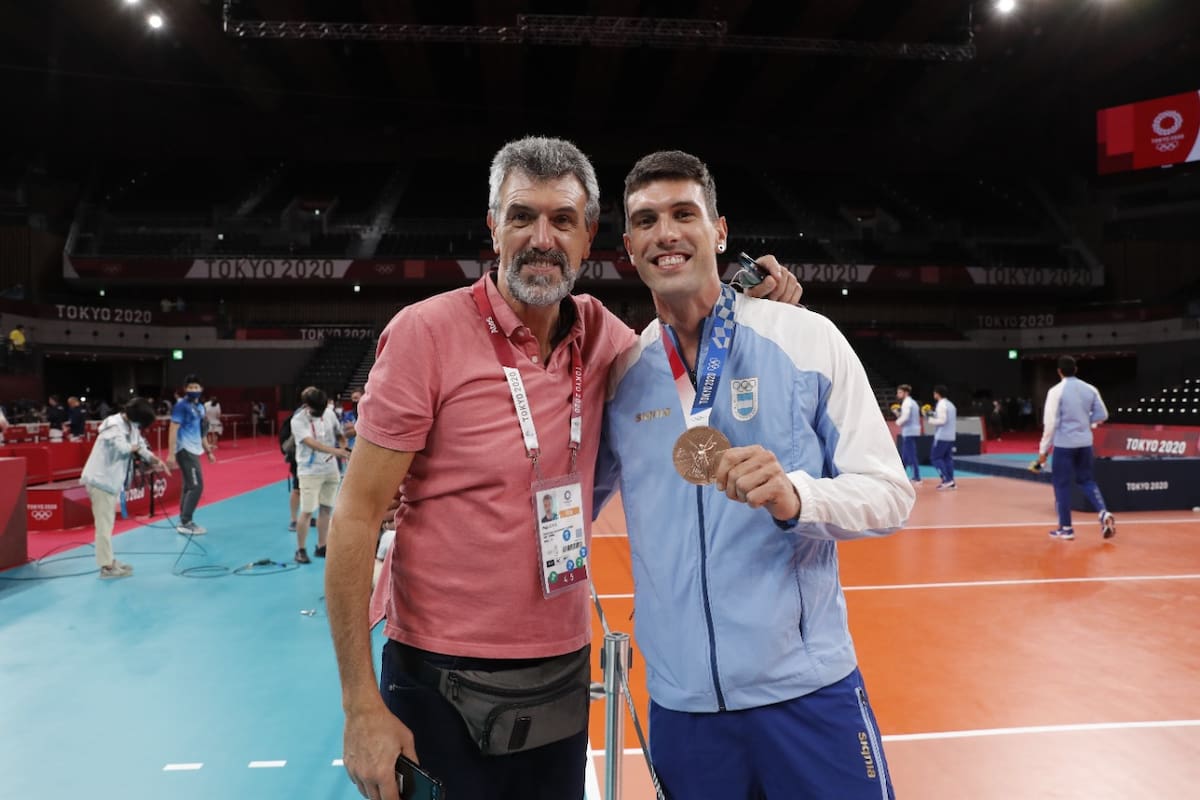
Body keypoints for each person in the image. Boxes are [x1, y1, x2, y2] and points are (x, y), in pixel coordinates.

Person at [324, 136, 802, 800]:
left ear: (587, 239)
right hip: (440, 680)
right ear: (493, 227)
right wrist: (359, 707)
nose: (540, 238)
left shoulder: (605, 338)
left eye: (562, 220)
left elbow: (694, 356)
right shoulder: (423, 334)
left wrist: (758, 307)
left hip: (560, 676)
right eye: (522, 217)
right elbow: (354, 516)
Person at [594, 150, 912, 799]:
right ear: (629, 246)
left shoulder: (807, 340)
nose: (667, 233)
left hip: (807, 694)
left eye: (686, 213)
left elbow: (889, 493)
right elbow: (567, 496)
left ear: (720, 231)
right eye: (647, 220)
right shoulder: (624, 376)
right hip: (684, 711)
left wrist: (800, 496)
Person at [79, 397, 170, 579]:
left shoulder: (132, 426)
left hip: (111, 481)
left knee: (108, 523)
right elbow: (122, 448)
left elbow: (141, 447)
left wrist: (156, 460)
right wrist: (134, 447)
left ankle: (110, 560)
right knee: (104, 526)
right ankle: (106, 567)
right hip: (100, 480)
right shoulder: (112, 424)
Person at [1034, 356, 1116, 540]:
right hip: (1085, 444)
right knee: (1087, 481)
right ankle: (1103, 512)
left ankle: (1066, 528)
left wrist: (1043, 451)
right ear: (1076, 369)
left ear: (1059, 372)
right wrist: (1084, 420)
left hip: (1064, 446)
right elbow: (1103, 414)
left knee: (1061, 485)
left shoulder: (1056, 391)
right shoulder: (1090, 389)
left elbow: (1050, 423)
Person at [291, 386, 349, 563]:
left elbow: (339, 432)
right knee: (307, 511)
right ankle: (300, 550)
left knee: (326, 508)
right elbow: (310, 443)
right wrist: (335, 451)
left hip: (331, 469)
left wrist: (342, 443)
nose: (322, 412)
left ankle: (322, 546)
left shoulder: (329, 413)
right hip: (310, 471)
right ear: (307, 406)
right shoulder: (298, 420)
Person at [167, 374, 215, 535]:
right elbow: (173, 428)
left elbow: (201, 432)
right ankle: (186, 522)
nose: (193, 390)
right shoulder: (181, 406)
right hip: (184, 449)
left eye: (196, 387)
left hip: (195, 449)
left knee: (188, 486)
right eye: (190, 387)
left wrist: (208, 451)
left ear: (201, 389)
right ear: (185, 389)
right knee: (196, 486)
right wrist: (171, 453)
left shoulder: (200, 407)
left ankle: (183, 520)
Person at [927, 384, 957, 490]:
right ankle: (951, 481)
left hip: (942, 436)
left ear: (937, 394)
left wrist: (930, 420)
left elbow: (942, 420)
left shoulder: (941, 404)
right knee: (947, 458)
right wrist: (932, 414)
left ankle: (946, 480)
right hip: (950, 436)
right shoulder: (951, 405)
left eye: (934, 392)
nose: (933, 394)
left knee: (935, 457)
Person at [892, 383, 922, 483]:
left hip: (909, 431)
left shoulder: (907, 403)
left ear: (906, 393)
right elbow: (905, 416)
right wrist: (898, 413)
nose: (898, 394)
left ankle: (917, 477)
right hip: (910, 431)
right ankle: (903, 476)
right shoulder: (911, 402)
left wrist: (897, 421)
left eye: (900, 392)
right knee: (905, 455)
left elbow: (906, 417)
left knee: (911, 455)